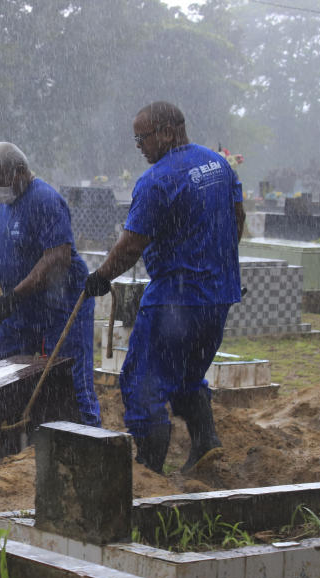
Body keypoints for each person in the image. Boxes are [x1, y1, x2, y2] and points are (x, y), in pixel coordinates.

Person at [83, 101, 244, 474]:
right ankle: (204, 442)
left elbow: (131, 244)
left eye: (142, 137)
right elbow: (238, 218)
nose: (138, 145)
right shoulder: (218, 165)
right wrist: (216, 265)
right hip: (218, 297)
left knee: (142, 382)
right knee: (187, 373)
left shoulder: (158, 180)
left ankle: (150, 468)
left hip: (174, 300)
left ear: (168, 132)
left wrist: (102, 276)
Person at [0, 142, 101, 427]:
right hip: (21, 310)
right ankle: (4, 444)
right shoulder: (5, 200)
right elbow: (1, 223)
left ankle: (89, 441)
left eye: (1, 182)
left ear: (21, 171)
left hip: (60, 307)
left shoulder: (46, 201)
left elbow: (57, 259)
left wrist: (15, 295)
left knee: (70, 382)